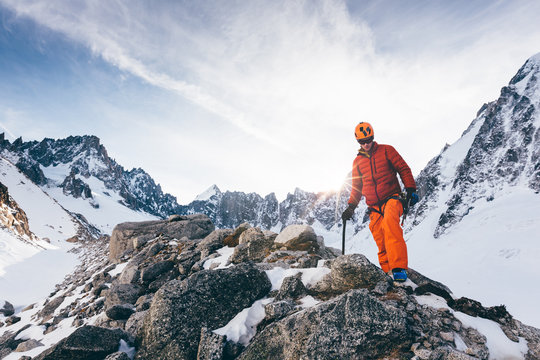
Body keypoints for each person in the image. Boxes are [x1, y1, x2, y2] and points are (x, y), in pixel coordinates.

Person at [341, 122, 418, 282]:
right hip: (374, 206)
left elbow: (403, 168)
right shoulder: (357, 162)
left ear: (373, 137)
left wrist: (410, 189)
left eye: (368, 140)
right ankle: (388, 272)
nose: (366, 144)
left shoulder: (386, 150)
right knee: (380, 237)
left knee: (391, 225)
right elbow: (356, 187)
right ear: (358, 142)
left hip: (393, 198)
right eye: (362, 142)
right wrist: (351, 207)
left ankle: (399, 268)